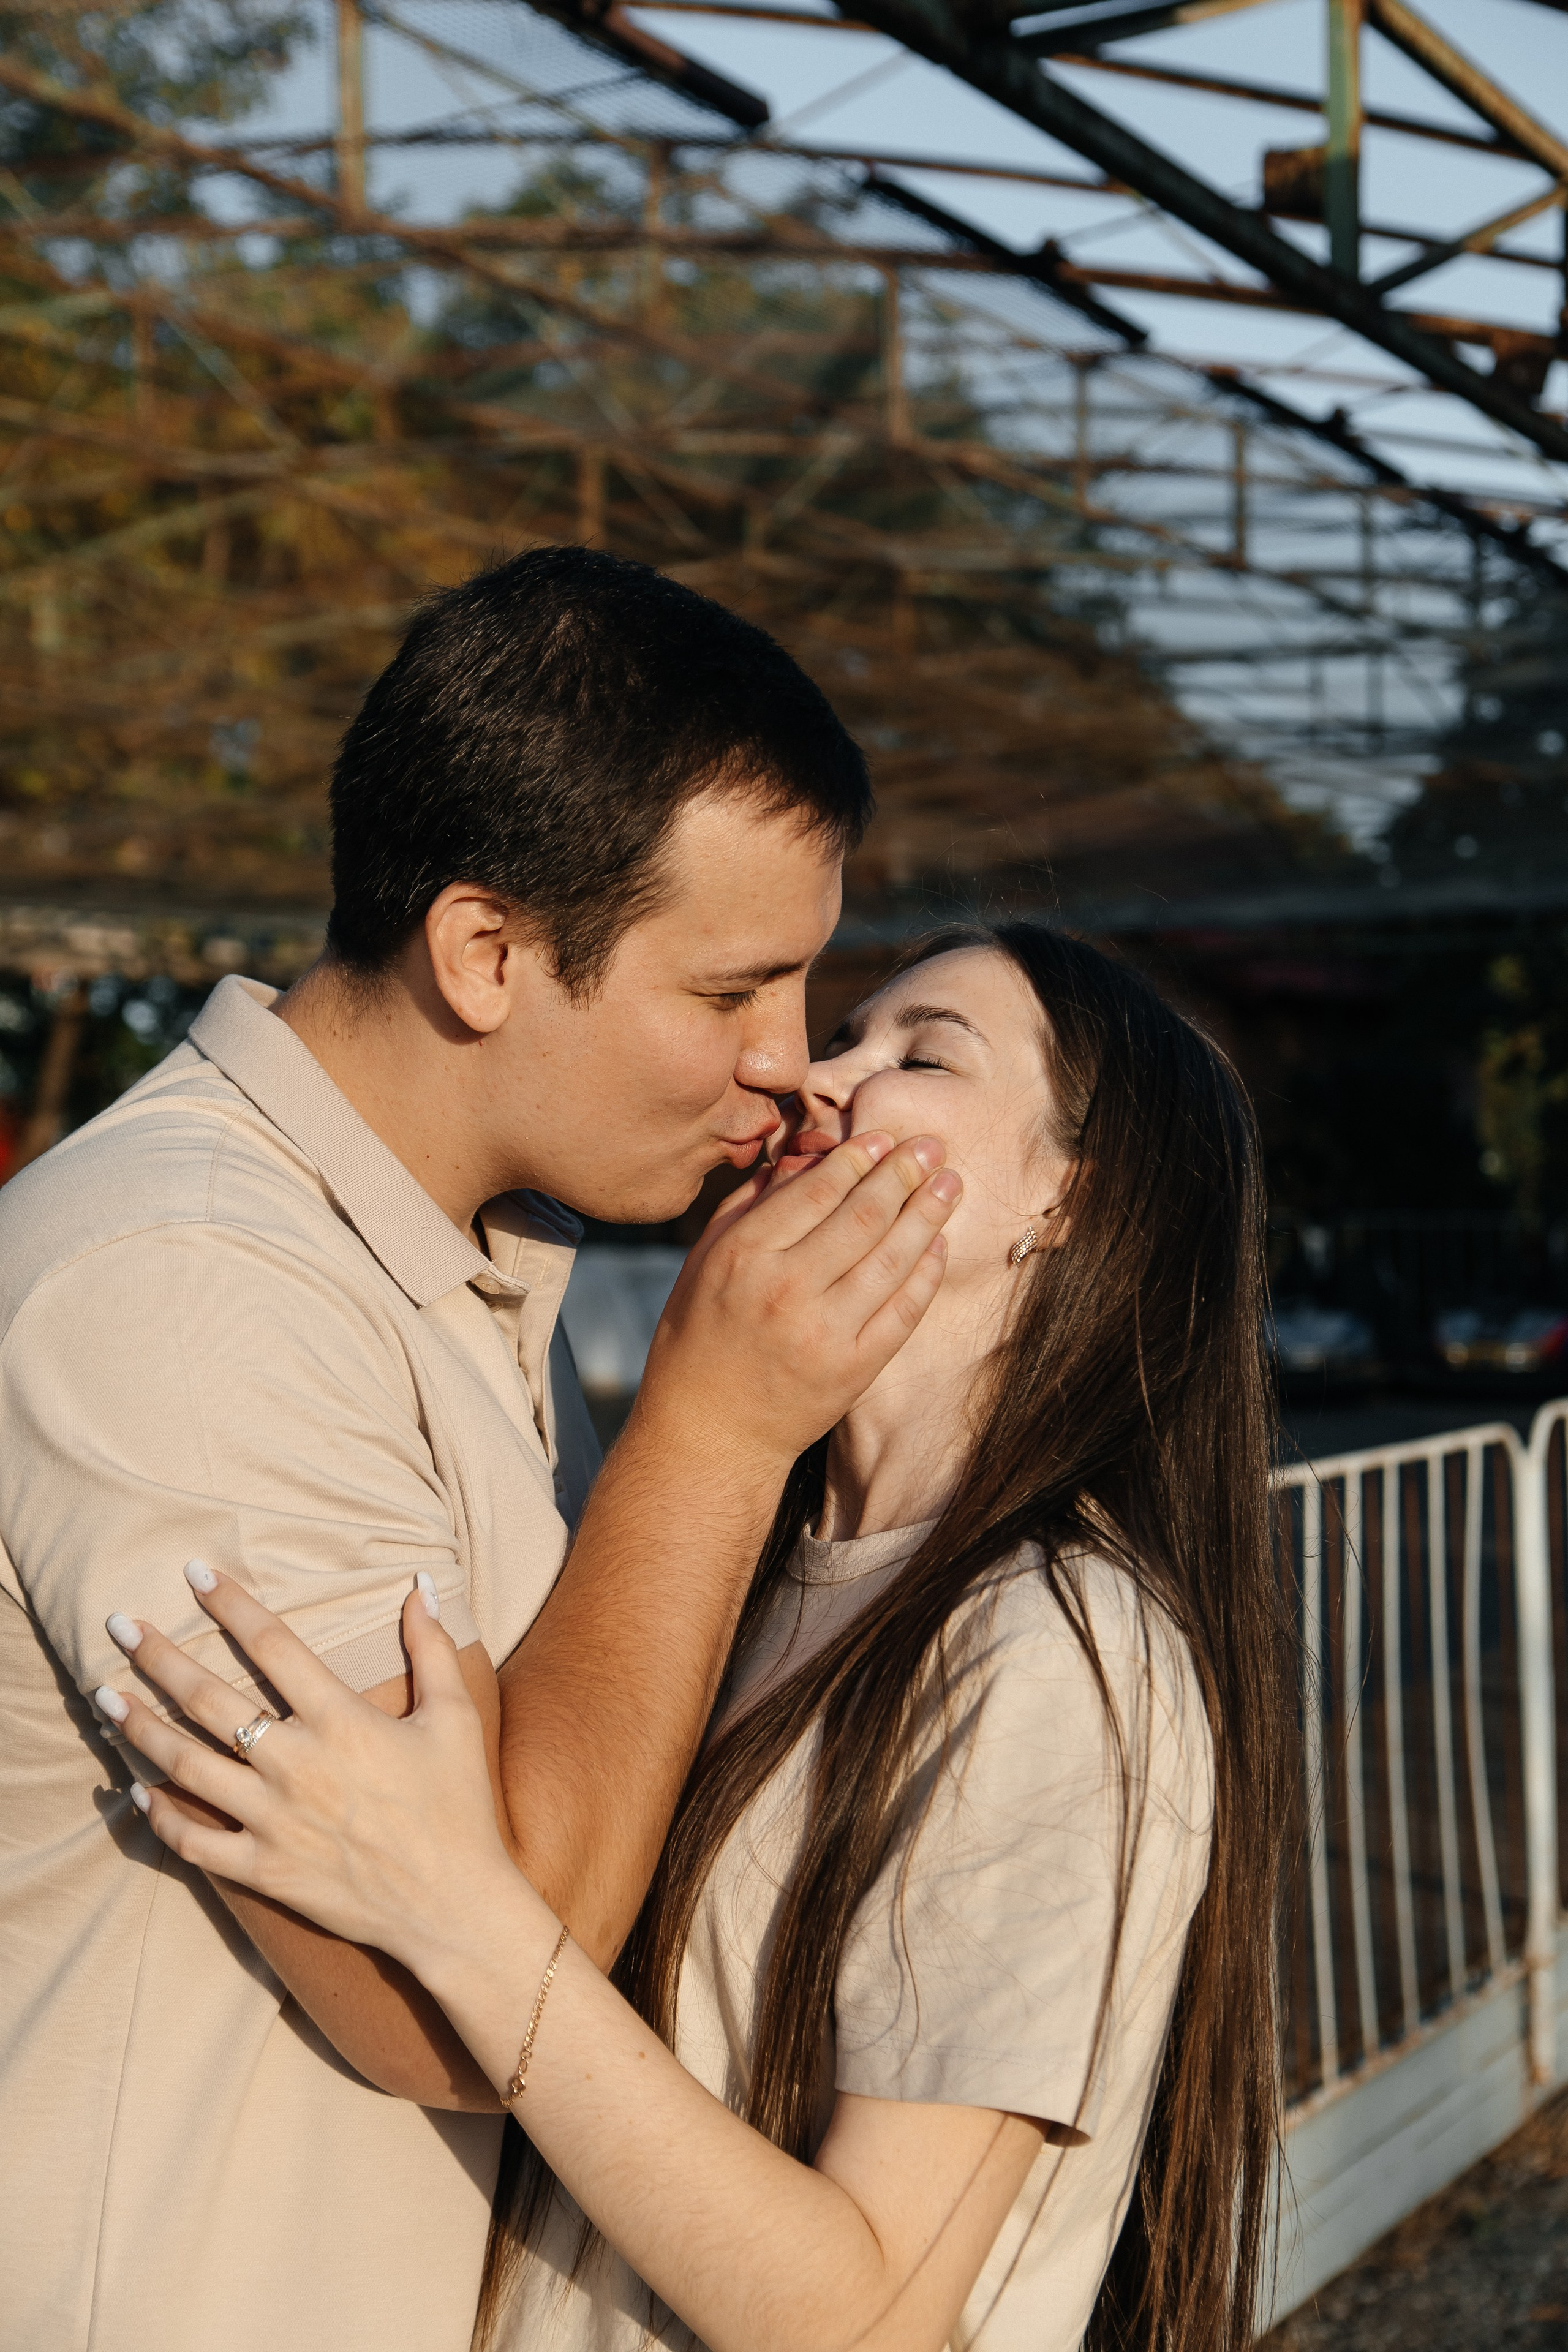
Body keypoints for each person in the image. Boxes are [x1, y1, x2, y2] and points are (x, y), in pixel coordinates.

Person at [0, 549, 963, 2352]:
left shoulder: (451, 1261)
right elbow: (437, 1995)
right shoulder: (187, 1291)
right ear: (486, 950)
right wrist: (716, 1433)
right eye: (735, 991)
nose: (795, 1068)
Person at [114, 924, 1291, 2352]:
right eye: (846, 1034)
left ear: (1062, 1200)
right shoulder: (748, 1569)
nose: (813, 1078)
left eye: (920, 1054)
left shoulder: (1055, 1650)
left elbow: (869, 2321)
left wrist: (446, 1897)